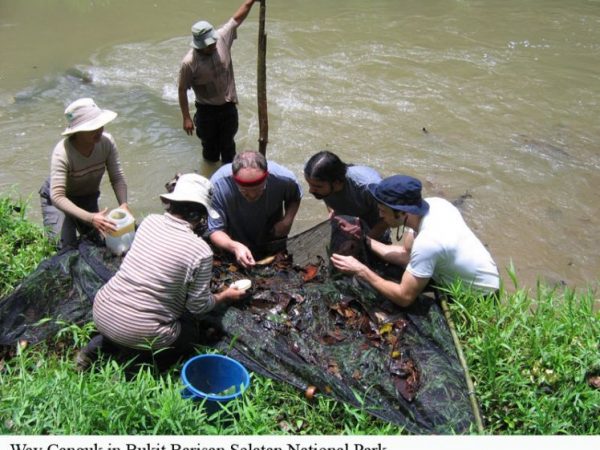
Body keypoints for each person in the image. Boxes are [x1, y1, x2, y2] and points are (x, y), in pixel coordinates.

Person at [80, 174, 248, 370]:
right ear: (199, 216)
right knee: (190, 330)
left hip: (102, 312)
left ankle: (91, 351)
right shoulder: (201, 251)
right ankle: (139, 363)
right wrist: (225, 295)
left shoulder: (149, 222)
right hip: (142, 331)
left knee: (126, 324)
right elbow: (198, 306)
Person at [330, 175, 500, 306]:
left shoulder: (428, 242)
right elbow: (406, 254)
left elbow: (405, 297)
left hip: (479, 297)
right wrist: (365, 239)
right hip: (478, 275)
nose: (380, 216)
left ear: (402, 212)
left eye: (383, 211)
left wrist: (361, 270)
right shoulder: (433, 205)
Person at [39, 98, 128, 249]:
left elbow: (117, 177)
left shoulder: (106, 142)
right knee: (63, 248)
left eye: (100, 125)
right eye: (93, 127)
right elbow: (58, 196)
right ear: (77, 132)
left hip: (87, 197)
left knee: (99, 244)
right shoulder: (62, 152)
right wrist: (91, 218)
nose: (100, 130)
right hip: (58, 201)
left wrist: (123, 205)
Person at [178, 0, 259, 164]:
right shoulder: (189, 63)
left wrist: (251, 1)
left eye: (213, 41)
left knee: (229, 147)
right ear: (199, 45)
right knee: (210, 151)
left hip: (228, 107)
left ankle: (231, 180)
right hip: (206, 112)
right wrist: (186, 117)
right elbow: (181, 90)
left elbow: (236, 19)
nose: (213, 45)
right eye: (208, 45)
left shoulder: (221, 38)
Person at [208, 151, 302, 268]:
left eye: (258, 190)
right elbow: (215, 230)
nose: (252, 196)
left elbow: (295, 197)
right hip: (234, 240)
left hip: (272, 236)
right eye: (245, 192)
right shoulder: (218, 186)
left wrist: (287, 221)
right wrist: (234, 246)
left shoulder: (284, 179)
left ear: (267, 177)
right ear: (233, 179)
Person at [304, 150, 389, 240]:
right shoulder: (322, 184)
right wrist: (332, 212)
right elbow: (326, 197)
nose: (310, 190)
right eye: (309, 184)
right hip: (350, 214)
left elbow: (389, 217)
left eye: (317, 186)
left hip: (376, 221)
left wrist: (363, 241)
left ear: (336, 182)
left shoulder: (368, 187)